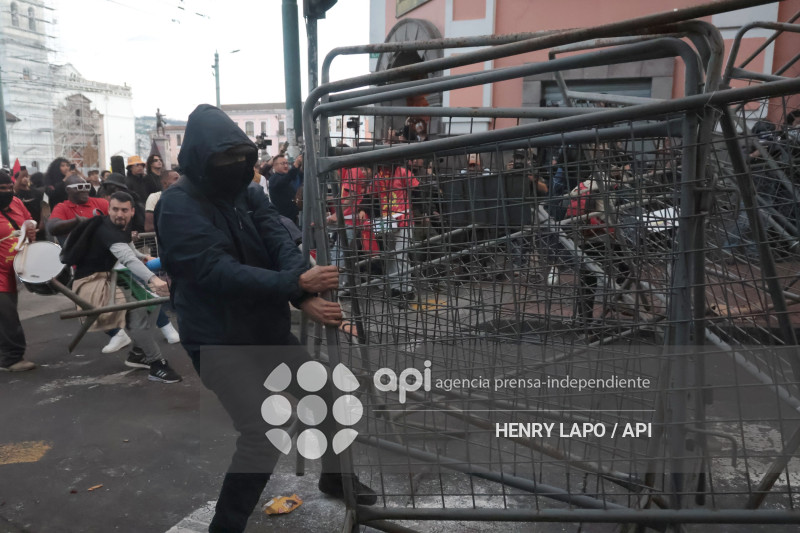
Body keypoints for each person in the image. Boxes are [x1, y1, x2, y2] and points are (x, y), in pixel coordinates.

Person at [156, 104, 376, 533]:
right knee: (263, 429)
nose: (234, 167)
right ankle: (226, 527)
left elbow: (279, 242)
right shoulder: (177, 204)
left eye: (240, 157)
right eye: (223, 160)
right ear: (201, 160)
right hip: (218, 339)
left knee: (330, 391)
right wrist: (296, 290)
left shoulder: (248, 192)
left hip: (265, 329)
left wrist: (300, 290)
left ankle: (335, 474)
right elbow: (213, 270)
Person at [72, 191, 181, 383]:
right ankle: (156, 364)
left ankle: (138, 352)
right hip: (91, 284)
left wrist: (146, 257)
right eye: (114, 209)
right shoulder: (107, 229)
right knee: (138, 311)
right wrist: (153, 280)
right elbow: (127, 258)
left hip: (110, 277)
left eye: (124, 210)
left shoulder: (121, 227)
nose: (119, 214)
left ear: (131, 212)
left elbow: (131, 251)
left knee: (153, 302)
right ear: (109, 209)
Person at [0, 170, 37, 372]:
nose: (6, 192)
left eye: (8, 188)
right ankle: (12, 358)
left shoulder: (16, 202)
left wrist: (30, 229)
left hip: (15, 269)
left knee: (7, 314)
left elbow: (29, 220)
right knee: (7, 316)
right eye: (1, 189)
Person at [47, 175, 109, 246]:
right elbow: (52, 228)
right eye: (79, 187)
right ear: (68, 190)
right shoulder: (62, 207)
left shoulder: (102, 203)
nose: (84, 190)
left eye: (87, 186)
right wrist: (76, 221)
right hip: (77, 250)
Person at [268, 153, 303, 226]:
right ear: (275, 166)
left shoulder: (286, 177)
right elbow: (286, 179)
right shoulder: (274, 179)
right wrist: (295, 165)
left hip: (293, 217)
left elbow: (292, 175)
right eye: (283, 163)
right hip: (283, 219)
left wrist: (299, 164)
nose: (286, 166)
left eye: (287, 163)